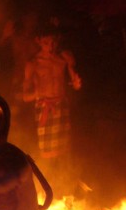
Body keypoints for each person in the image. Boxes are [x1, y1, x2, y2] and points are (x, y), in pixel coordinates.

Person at [21, 24, 81, 185]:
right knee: (47, 153)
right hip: (45, 108)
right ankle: (46, 185)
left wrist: (76, 82)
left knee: (65, 150)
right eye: (47, 42)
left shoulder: (64, 58)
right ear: (38, 41)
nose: (51, 46)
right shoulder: (32, 64)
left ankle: (67, 184)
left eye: (53, 42)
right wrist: (36, 94)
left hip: (61, 106)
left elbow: (74, 81)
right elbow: (25, 96)